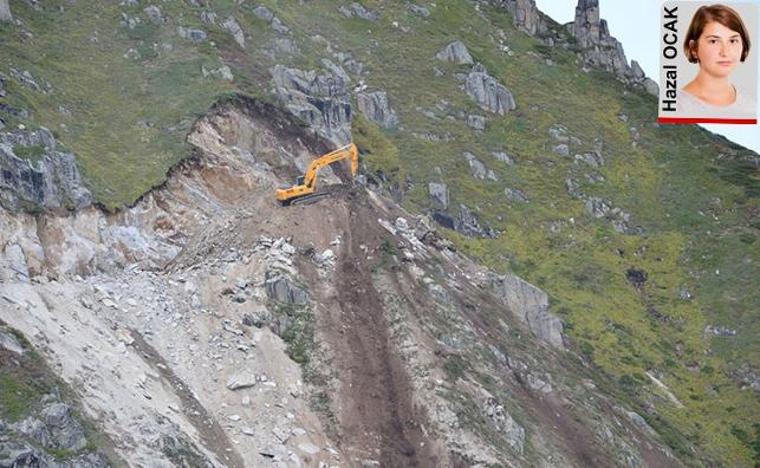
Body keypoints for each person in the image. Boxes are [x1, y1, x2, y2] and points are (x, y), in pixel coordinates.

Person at [678, 4, 755, 118]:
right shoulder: (678, 105)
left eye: (733, 41)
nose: (725, 52)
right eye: (714, 41)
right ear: (694, 48)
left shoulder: (751, 106)